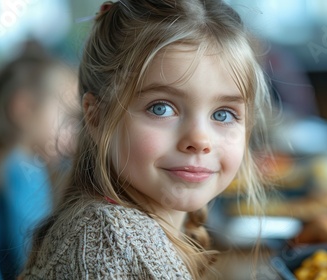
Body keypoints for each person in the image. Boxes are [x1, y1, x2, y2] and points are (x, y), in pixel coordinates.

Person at [22, 0, 273, 279]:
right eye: (161, 108)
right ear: (97, 117)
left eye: (224, 114)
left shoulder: (123, 233)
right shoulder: (110, 243)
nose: (200, 139)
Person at [0, 40, 77, 279]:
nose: (73, 137)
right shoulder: (25, 170)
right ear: (24, 108)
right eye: (68, 118)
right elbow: (36, 265)